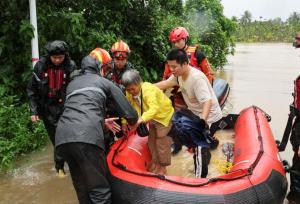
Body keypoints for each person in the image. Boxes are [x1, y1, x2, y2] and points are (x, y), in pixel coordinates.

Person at [55, 55, 138, 203]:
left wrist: (101, 121)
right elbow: (129, 113)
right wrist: (134, 123)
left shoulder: (71, 85)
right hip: (87, 138)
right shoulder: (103, 82)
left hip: (62, 138)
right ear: (100, 69)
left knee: (82, 188)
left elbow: (75, 111)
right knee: (99, 190)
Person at [155, 48, 222, 178]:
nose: (172, 70)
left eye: (174, 67)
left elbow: (207, 102)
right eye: (170, 66)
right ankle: (207, 154)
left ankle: (199, 181)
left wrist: (202, 122)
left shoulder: (196, 78)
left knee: (198, 146)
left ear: (185, 64)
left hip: (210, 117)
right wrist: (144, 87)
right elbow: (165, 84)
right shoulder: (178, 76)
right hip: (196, 114)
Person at [27, 40, 76, 177]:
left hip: (65, 107)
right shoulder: (40, 66)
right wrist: (34, 111)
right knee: (56, 138)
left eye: (60, 57)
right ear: (49, 56)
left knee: (66, 135)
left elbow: (76, 87)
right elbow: (32, 90)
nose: (57, 60)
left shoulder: (70, 66)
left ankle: (65, 163)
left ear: (65, 56)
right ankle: (60, 167)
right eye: (54, 57)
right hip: (47, 108)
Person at [121, 69, 174, 175]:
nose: (131, 92)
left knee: (161, 141)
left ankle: (163, 168)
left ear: (138, 83)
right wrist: (123, 122)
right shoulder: (129, 92)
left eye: (133, 89)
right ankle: (155, 162)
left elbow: (154, 108)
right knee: (151, 141)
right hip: (151, 118)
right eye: (128, 90)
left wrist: (141, 120)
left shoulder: (148, 90)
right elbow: (127, 107)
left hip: (164, 116)